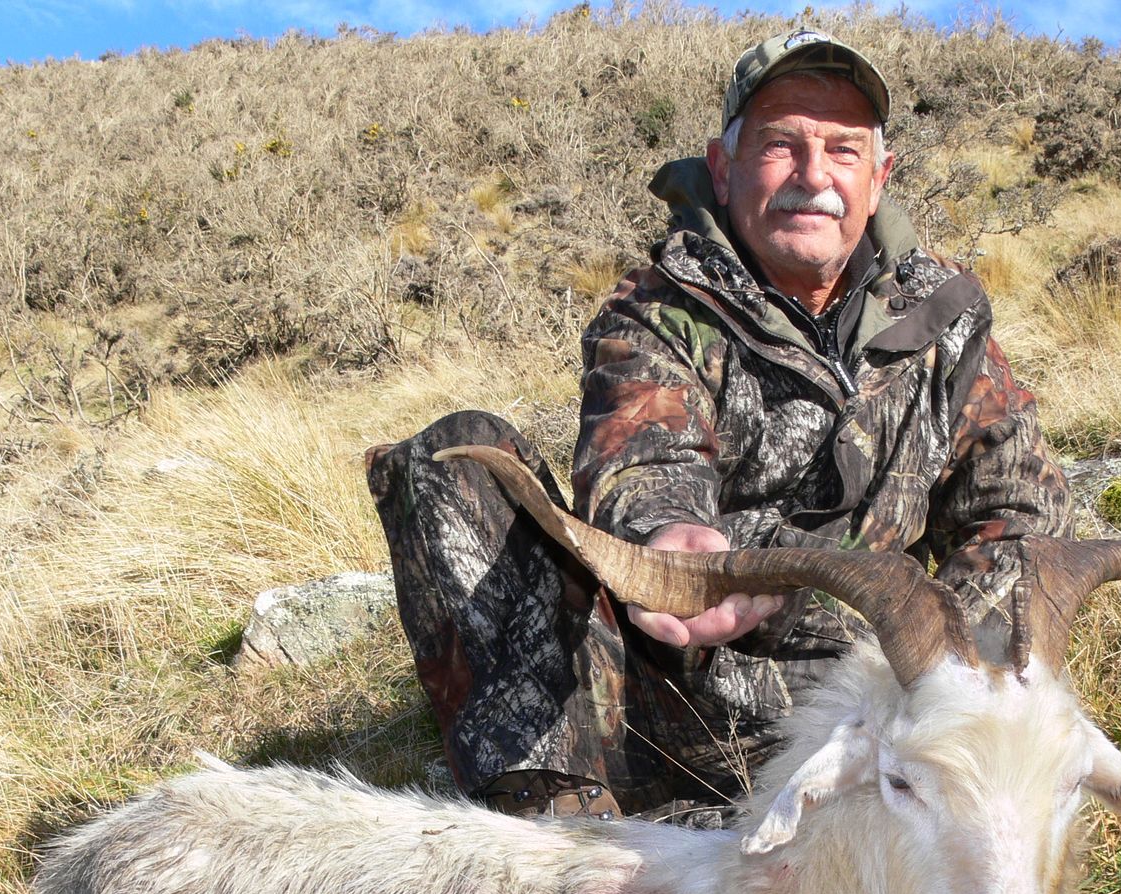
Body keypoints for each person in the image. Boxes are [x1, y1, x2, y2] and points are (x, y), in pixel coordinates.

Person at [366, 29, 1071, 822]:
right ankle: (557, 825)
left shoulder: (948, 320)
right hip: (660, 693)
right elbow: (644, 460)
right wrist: (673, 542)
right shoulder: (654, 312)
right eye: (781, 144)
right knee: (451, 459)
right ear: (725, 167)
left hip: (869, 716)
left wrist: (927, 666)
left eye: (843, 150)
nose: (814, 176)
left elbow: (1021, 518)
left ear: (879, 179)